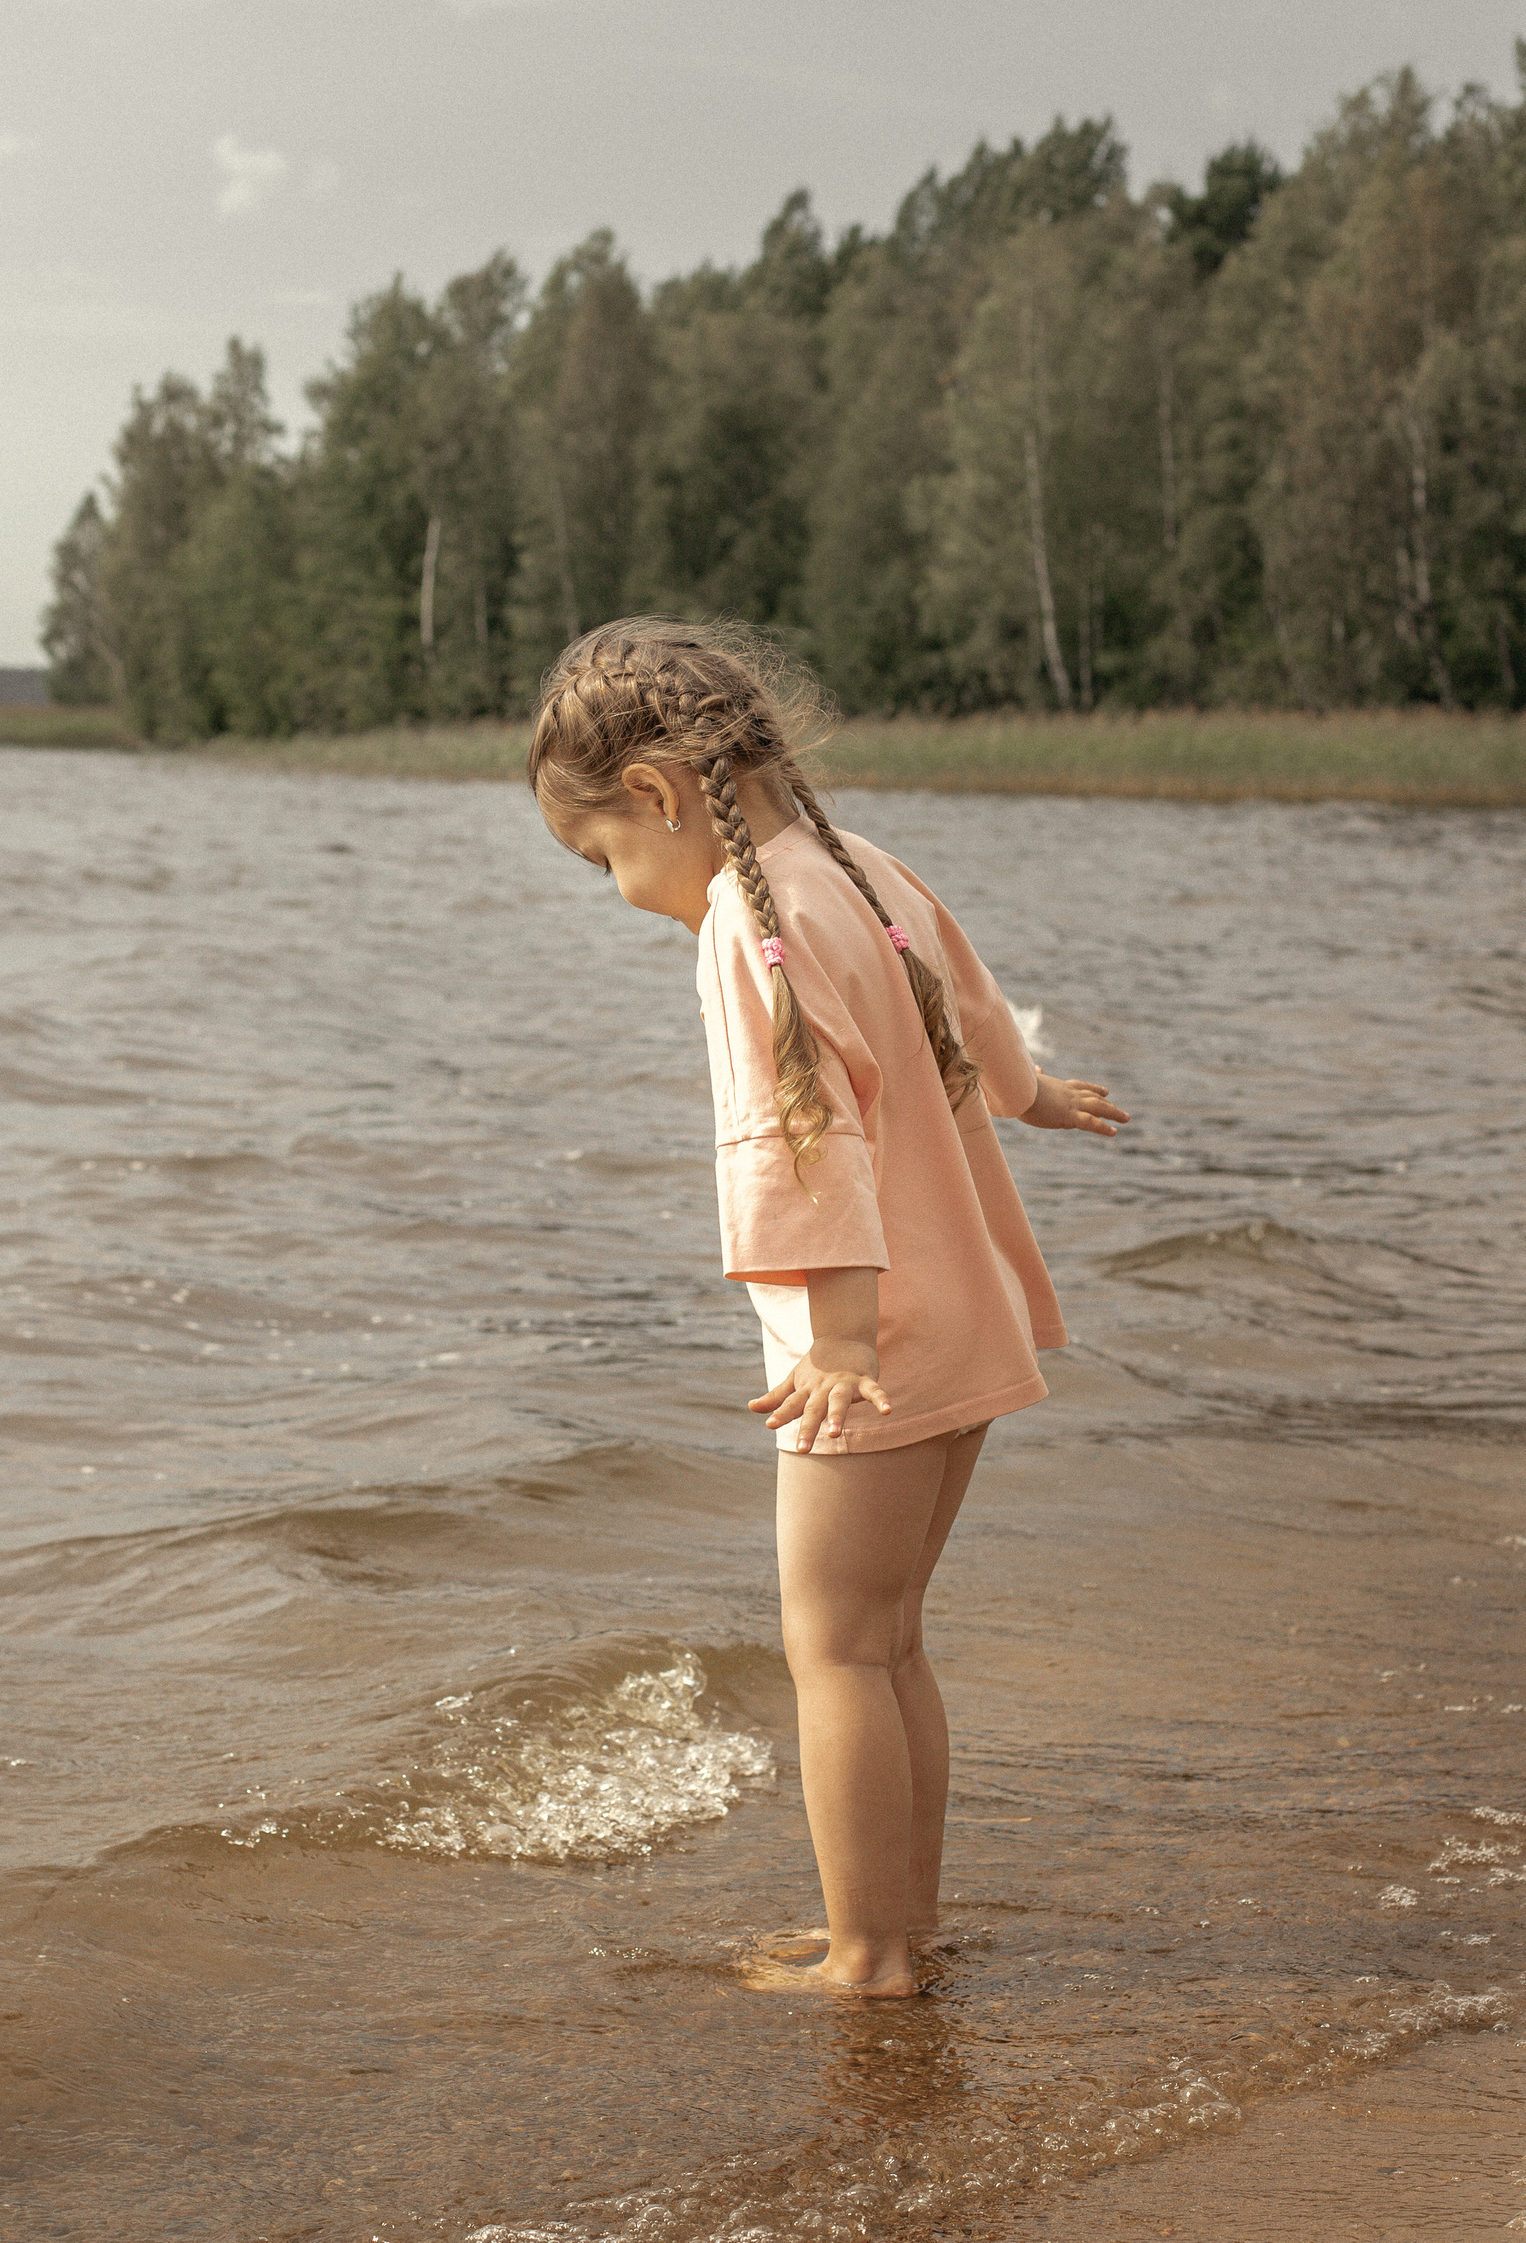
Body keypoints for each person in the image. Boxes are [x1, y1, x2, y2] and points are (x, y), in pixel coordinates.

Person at [528, 618, 1128, 1999]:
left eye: (604, 858)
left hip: (873, 1340)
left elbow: (807, 1135)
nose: (619, 890)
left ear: (662, 797)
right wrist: (1036, 1096)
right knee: (891, 1640)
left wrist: (843, 1339)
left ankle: (866, 1956)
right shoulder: (861, 871)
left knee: (835, 1652)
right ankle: (898, 1930)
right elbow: (970, 1011)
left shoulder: (753, 924)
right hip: (963, 1304)